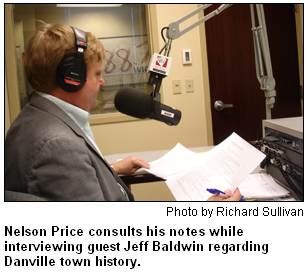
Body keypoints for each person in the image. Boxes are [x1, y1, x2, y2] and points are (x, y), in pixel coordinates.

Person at [5, 23, 242, 201]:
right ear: (71, 78)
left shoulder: (33, 117)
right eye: (97, 74)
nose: (103, 82)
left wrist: (109, 170)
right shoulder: (57, 145)